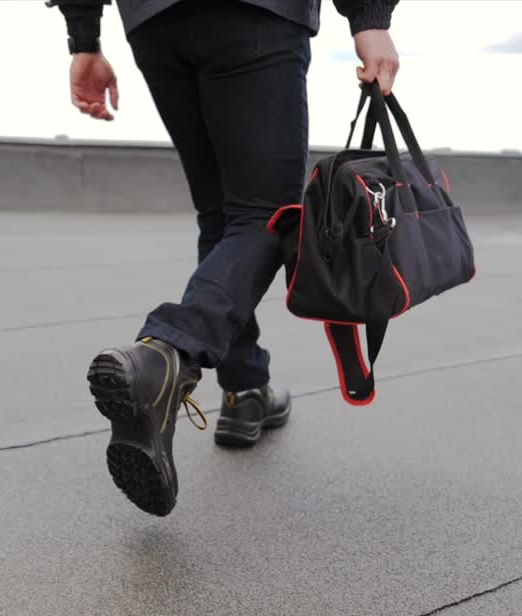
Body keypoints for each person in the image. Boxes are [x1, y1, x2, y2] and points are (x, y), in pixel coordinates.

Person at [50, 0, 400, 516]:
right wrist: (370, 19)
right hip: (254, 14)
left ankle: (244, 389)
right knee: (267, 213)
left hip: (153, 21)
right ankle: (164, 354)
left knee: (222, 216)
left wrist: (84, 37)